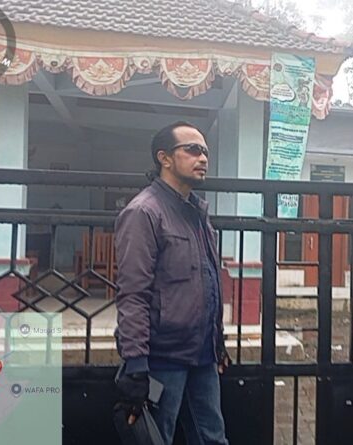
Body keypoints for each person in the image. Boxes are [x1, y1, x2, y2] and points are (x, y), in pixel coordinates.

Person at [114, 121, 230, 445]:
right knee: (155, 438)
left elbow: (206, 281)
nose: (202, 158)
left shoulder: (197, 213)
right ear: (164, 158)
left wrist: (217, 340)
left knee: (212, 438)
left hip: (203, 355)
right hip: (162, 358)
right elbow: (133, 294)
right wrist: (136, 363)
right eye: (192, 150)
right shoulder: (144, 212)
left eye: (205, 151)